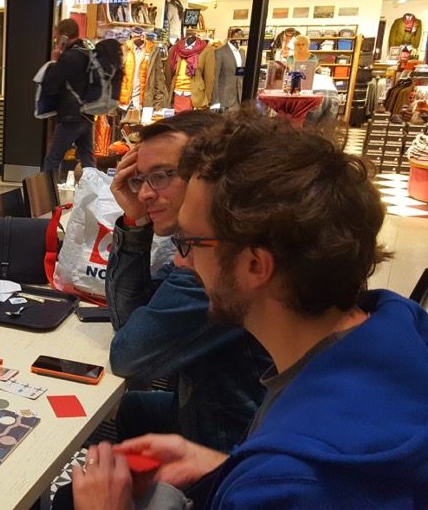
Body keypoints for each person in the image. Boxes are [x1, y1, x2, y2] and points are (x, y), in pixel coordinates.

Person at [72, 113, 428, 508]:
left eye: (190, 243)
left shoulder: (286, 483)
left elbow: (291, 484)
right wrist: (228, 466)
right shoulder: (398, 323)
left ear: (256, 265)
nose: (181, 262)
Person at [105, 111, 270, 453]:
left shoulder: (226, 257)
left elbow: (129, 356)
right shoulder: (206, 242)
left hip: (234, 440)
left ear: (210, 176)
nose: (145, 193)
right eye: (141, 178)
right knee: (136, 408)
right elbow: (129, 320)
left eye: (161, 176)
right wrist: (135, 221)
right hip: (209, 407)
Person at [39, 18, 95, 177]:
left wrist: (55, 61)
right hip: (87, 114)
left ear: (63, 36)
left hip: (71, 116)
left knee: (52, 159)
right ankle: (94, 188)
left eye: (57, 37)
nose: (56, 40)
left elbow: (51, 85)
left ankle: (45, 191)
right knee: (87, 158)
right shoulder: (88, 53)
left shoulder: (69, 57)